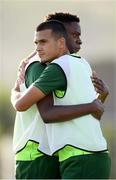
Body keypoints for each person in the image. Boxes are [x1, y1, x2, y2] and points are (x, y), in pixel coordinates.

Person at [11, 20, 111, 179]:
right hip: (39, 156)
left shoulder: (76, 64)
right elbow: (44, 112)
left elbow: (95, 112)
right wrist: (15, 90)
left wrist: (99, 99)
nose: (79, 40)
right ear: (60, 39)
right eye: (74, 35)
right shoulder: (42, 66)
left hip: (69, 155)